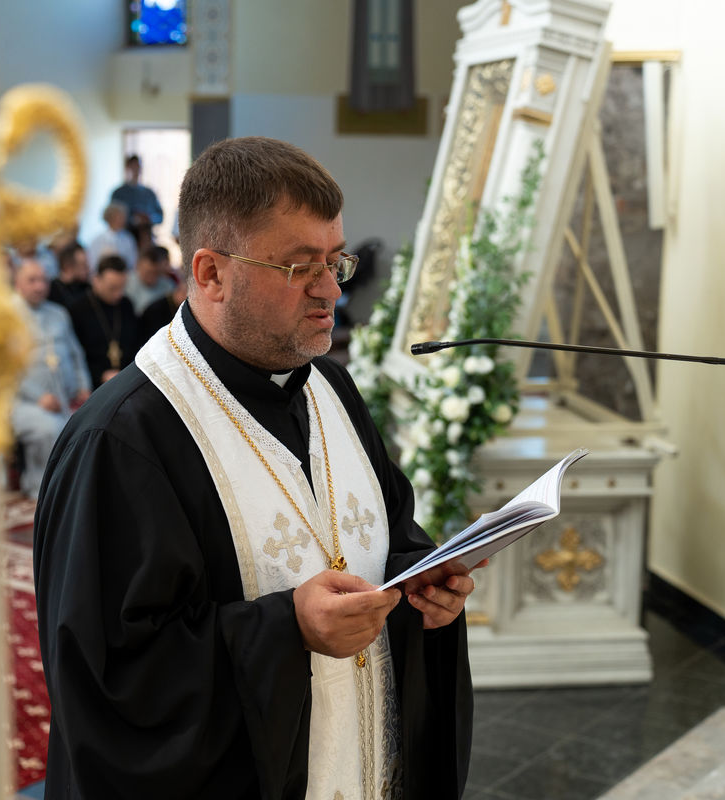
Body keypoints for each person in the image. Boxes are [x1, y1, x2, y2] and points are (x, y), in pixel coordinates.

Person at [34, 137, 477, 798]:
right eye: (302, 266)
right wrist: (287, 628)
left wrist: (425, 591)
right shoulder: (122, 440)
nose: (331, 290)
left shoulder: (333, 390)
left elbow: (389, 536)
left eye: (336, 261)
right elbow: (109, 682)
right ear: (211, 273)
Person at [11, 258, 90, 497]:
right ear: (17, 283)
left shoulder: (58, 313)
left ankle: (78, 489)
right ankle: (42, 489)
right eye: (32, 280)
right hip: (21, 401)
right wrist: (38, 397)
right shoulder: (5, 318)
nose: (39, 286)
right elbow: (6, 371)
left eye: (43, 280)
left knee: (93, 422)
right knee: (49, 428)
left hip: (62, 397)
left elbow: (76, 354)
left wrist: (84, 387)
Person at [65, 254, 138, 388]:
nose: (118, 294)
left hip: (126, 380)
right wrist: (100, 374)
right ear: (96, 280)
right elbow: (76, 354)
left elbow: (135, 343)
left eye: (122, 287)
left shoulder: (126, 305)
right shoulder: (78, 309)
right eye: (112, 288)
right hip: (93, 384)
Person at [110, 154, 163, 249]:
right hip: (124, 239)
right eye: (133, 167)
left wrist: (149, 219)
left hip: (146, 239)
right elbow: (112, 217)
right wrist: (133, 220)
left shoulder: (149, 193)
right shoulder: (118, 194)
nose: (136, 170)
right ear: (127, 168)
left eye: (137, 167)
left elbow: (159, 216)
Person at [86, 202, 139, 278]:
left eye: (123, 217)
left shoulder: (128, 239)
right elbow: (92, 262)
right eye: (119, 217)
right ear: (110, 218)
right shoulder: (98, 239)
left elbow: (132, 262)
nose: (122, 220)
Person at [124, 244, 175, 314]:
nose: (151, 277)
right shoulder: (126, 282)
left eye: (155, 273)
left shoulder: (168, 285)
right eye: (148, 272)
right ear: (138, 267)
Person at [48, 242, 90, 309]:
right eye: (83, 265)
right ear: (67, 267)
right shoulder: (52, 290)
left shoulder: (86, 286)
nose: (88, 269)